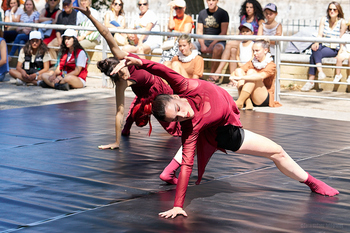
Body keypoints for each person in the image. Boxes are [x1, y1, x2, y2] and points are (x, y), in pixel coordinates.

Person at [113, 56, 340, 219]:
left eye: (180, 110)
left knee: (195, 143)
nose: (184, 115)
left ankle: (166, 171)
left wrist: (139, 61)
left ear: (176, 96)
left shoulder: (185, 85)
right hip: (225, 134)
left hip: (224, 118)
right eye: (178, 119)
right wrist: (178, 205)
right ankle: (313, 183)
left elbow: (162, 70)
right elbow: (188, 167)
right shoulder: (190, 127)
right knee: (277, 151)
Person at [73, 6, 181, 150]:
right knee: (133, 118)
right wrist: (116, 143)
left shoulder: (121, 55)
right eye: (121, 77)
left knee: (174, 128)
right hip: (142, 94)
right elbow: (119, 112)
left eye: (123, 71)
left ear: (121, 63)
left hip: (158, 87)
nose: (125, 76)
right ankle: (124, 133)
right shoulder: (121, 84)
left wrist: (90, 15)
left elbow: (105, 33)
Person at [209, 0, 264, 83]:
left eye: (251, 7)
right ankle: (233, 79)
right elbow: (240, 33)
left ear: (255, 8)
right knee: (232, 50)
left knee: (229, 44)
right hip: (242, 41)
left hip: (252, 41)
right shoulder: (243, 17)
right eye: (247, 7)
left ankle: (218, 72)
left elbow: (260, 35)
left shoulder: (259, 19)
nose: (248, 9)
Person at [301, 1, 346, 92]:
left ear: (338, 11)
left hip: (334, 48)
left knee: (314, 54)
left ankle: (311, 81)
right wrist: (316, 42)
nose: (332, 11)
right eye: (330, 9)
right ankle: (320, 72)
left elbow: (342, 38)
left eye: (334, 9)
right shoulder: (324, 19)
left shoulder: (342, 22)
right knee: (315, 48)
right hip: (323, 45)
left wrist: (340, 51)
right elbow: (319, 34)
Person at [229, 39, 281, 110]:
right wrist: (231, 77)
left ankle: (240, 101)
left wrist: (240, 78)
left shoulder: (271, 65)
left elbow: (261, 76)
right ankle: (247, 101)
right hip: (252, 95)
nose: (254, 53)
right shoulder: (252, 62)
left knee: (251, 72)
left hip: (263, 98)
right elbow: (236, 72)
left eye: (257, 51)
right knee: (239, 70)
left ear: (265, 50)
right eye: (253, 51)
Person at [194, 0, 229, 76]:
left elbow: (223, 32)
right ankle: (194, 74)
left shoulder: (223, 13)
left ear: (217, 1)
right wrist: (202, 45)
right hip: (204, 41)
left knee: (218, 48)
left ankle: (212, 75)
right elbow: (199, 31)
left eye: (213, 0)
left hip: (218, 41)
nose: (211, 2)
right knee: (190, 46)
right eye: (209, 0)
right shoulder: (202, 13)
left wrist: (212, 44)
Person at [47, 0, 78, 64]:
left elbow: (77, 29)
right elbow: (57, 29)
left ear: (71, 5)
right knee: (50, 46)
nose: (66, 6)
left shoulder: (76, 14)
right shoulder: (61, 15)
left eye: (68, 4)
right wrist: (59, 38)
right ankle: (54, 64)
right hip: (62, 37)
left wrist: (71, 39)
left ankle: (71, 65)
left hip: (71, 37)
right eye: (64, 4)